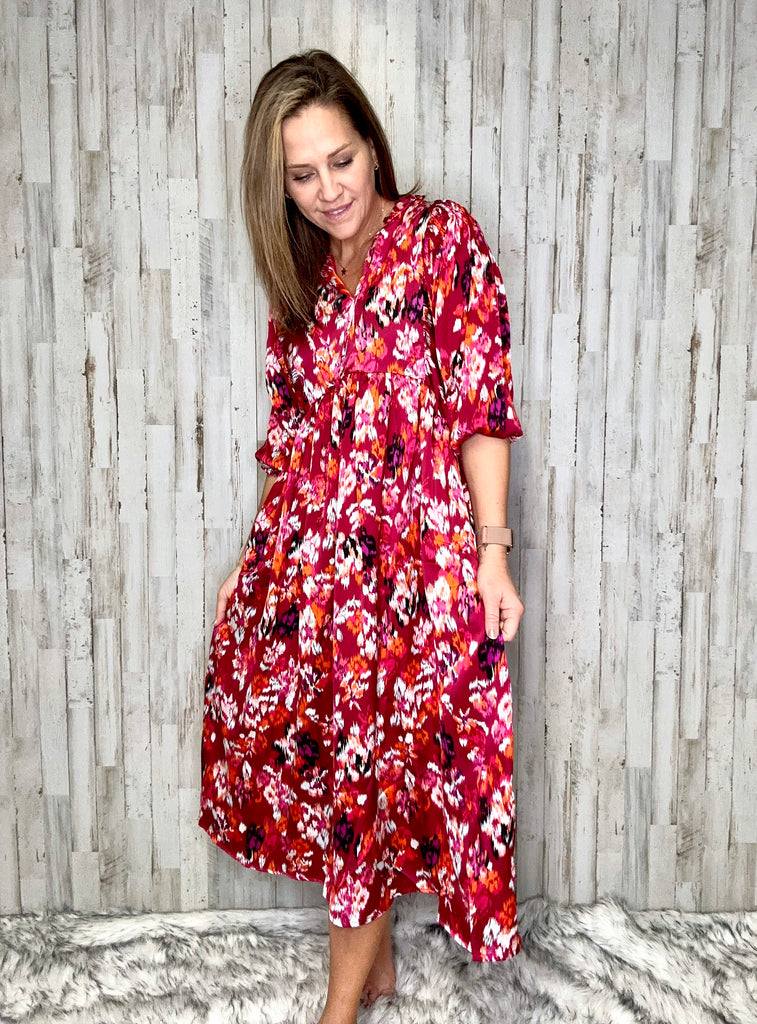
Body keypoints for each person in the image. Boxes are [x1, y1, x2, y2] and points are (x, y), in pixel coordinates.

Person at [198, 49, 525, 1024]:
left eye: (340, 161)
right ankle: (372, 974)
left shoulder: (442, 238)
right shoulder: (300, 276)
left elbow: (481, 406)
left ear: (372, 146)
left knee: (379, 770)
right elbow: (290, 435)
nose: (327, 190)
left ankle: (341, 1005)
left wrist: (493, 552)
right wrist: (249, 559)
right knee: (344, 769)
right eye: (301, 175)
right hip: (313, 564)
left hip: (413, 564)